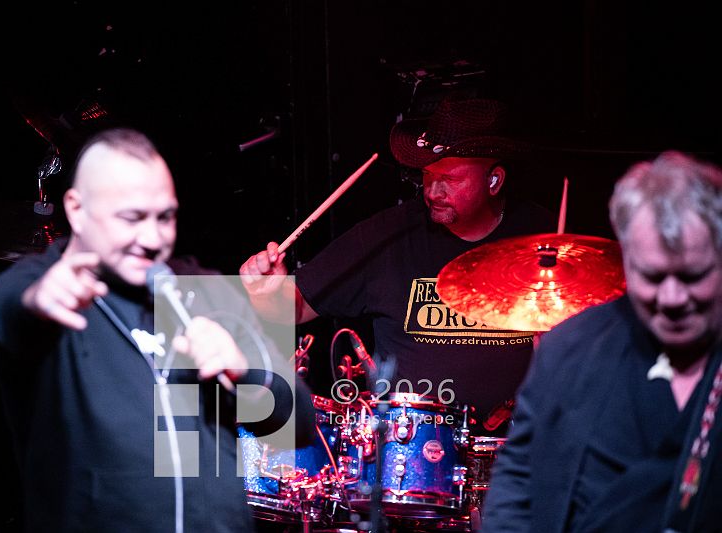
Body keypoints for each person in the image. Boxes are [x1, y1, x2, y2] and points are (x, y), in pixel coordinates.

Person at [0, 127, 314, 532]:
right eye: (131, 217)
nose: (152, 238)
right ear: (77, 209)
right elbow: (6, 313)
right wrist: (38, 302)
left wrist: (245, 371)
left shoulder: (203, 291)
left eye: (165, 217)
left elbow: (297, 424)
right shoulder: (45, 286)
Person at [239, 94, 556, 429]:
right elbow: (294, 309)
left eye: (450, 179)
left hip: (520, 443)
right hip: (406, 443)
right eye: (428, 175)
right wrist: (267, 292)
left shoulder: (547, 239)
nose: (433, 191)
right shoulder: (385, 235)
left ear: (493, 181)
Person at [480, 151, 722, 533]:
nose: (672, 298)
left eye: (693, 276)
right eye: (652, 277)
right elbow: (518, 480)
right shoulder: (570, 348)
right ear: (626, 259)